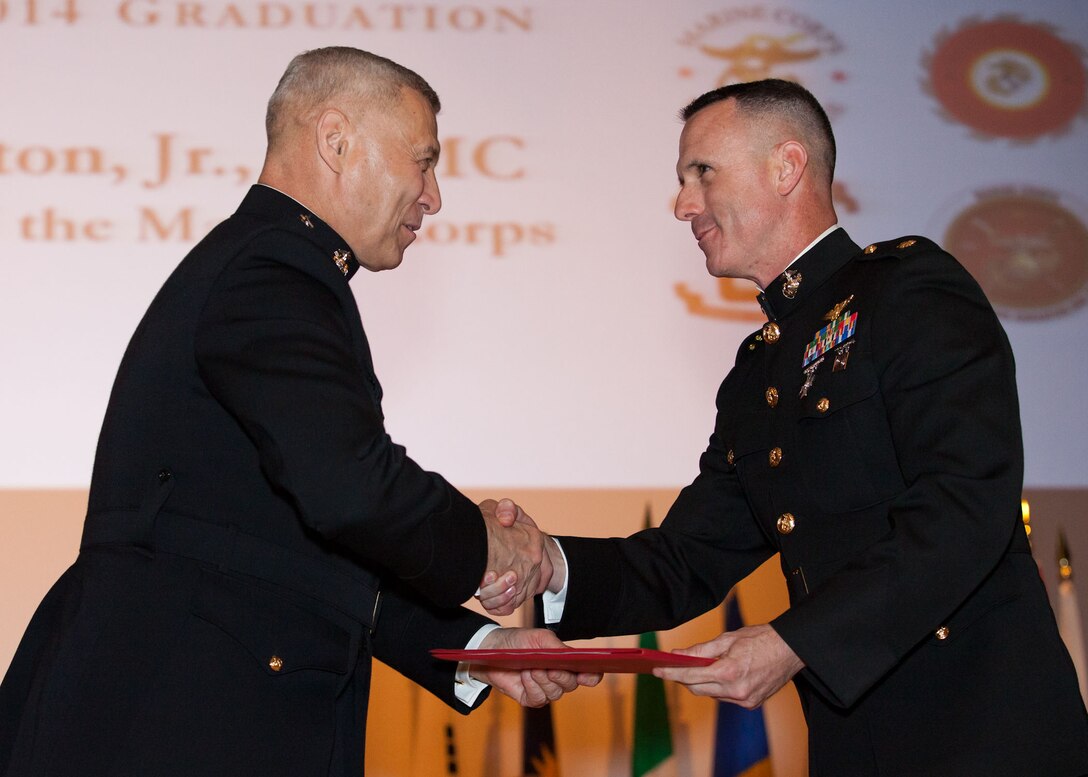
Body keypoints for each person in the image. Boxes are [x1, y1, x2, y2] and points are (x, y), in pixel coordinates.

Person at [0, 47, 597, 777]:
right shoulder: (272, 269)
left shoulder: (269, 265)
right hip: (170, 724)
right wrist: (484, 545)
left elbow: (292, 549)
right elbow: (350, 484)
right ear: (336, 141)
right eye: (423, 159)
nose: (434, 195)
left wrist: (478, 649)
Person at [480, 79, 1088, 775]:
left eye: (701, 173)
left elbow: (964, 506)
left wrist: (795, 641)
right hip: (853, 746)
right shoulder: (757, 370)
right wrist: (546, 562)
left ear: (786, 166)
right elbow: (684, 559)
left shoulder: (909, 290)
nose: (682, 204)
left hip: (989, 737)